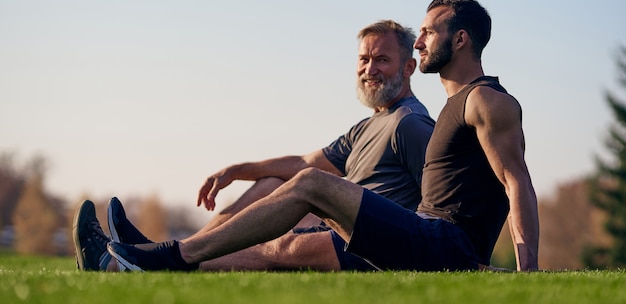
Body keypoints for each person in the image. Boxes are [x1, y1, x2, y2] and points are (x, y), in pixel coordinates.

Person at [86, 0, 540, 272]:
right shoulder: (450, 107)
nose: (419, 41)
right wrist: (241, 169)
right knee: (300, 183)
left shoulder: (484, 100)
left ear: (460, 40)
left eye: (427, 32)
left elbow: (516, 181)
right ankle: (154, 253)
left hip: (445, 242)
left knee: (308, 186)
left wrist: (527, 269)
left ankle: (168, 256)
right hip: (426, 235)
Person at [73, 19, 436, 272]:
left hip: (371, 245)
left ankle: (134, 260)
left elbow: (437, 206)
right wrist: (238, 171)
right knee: (271, 184)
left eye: (382, 60)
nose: (370, 68)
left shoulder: (410, 124)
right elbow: (304, 162)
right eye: (364, 59)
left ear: (408, 68)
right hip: (342, 231)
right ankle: (157, 254)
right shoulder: (370, 125)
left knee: (283, 246)